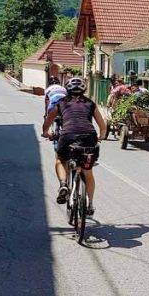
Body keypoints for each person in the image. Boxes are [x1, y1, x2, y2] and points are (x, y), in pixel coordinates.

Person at [45, 77, 107, 215]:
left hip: (67, 136)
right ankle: (90, 204)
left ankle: (63, 185)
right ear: (84, 89)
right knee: (88, 171)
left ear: (67, 89)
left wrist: (46, 133)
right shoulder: (91, 103)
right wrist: (101, 136)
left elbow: (48, 120)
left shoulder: (61, 102)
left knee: (61, 160)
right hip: (89, 137)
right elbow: (102, 126)